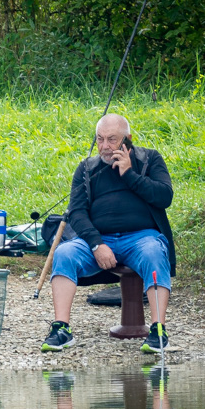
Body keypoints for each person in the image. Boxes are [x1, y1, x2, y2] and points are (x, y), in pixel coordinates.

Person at [41, 113, 175, 353]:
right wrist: (96, 244)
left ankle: (158, 331)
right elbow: (77, 212)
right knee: (64, 253)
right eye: (100, 139)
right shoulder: (86, 168)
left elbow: (164, 197)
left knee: (155, 252)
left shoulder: (149, 159)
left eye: (112, 139)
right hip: (99, 239)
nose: (104, 146)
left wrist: (130, 175)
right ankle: (61, 329)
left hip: (142, 237)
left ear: (128, 140)